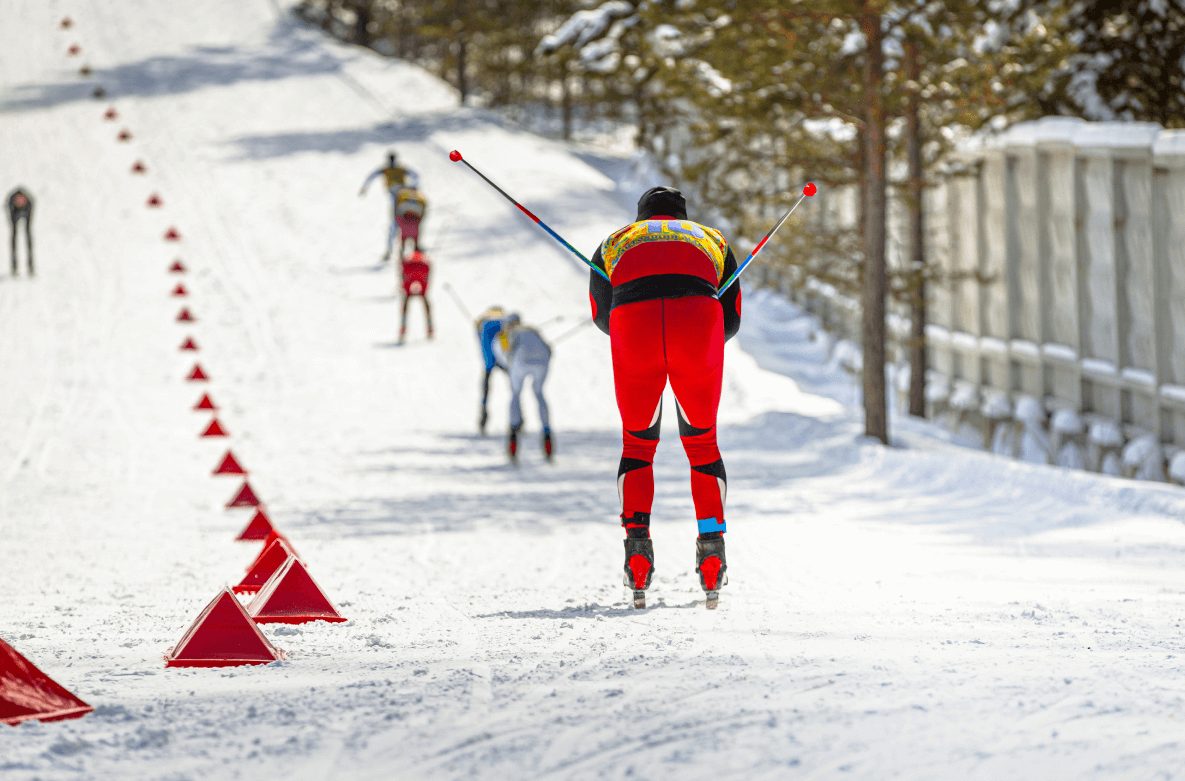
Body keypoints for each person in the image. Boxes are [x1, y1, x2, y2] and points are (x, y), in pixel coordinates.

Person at [588, 186, 742, 609]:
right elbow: (732, 318)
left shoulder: (616, 240)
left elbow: (601, 313)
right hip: (698, 320)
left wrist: (638, 338)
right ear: (682, 216)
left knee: (638, 444)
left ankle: (637, 551)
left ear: (642, 218)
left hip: (632, 322)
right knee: (702, 444)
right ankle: (711, 552)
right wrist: (699, 347)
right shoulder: (711, 238)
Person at [494, 314, 553, 462]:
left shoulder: (506, 334)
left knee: (515, 394)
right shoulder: (532, 330)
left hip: (519, 362)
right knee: (539, 393)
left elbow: (501, 355)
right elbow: (548, 349)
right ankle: (547, 436)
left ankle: (513, 437)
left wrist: (509, 366)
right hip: (542, 361)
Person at [358, 151, 418, 261]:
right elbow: (415, 176)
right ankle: (398, 249)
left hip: (401, 196)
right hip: (400, 196)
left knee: (399, 222)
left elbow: (415, 175)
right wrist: (414, 186)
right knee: (400, 221)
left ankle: (401, 249)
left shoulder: (396, 169)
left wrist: (364, 188)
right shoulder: (391, 169)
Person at [475, 306, 508, 434]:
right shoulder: (503, 323)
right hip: (504, 361)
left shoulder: (484, 325)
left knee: (486, 391)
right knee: (515, 390)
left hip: (489, 362)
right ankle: (519, 418)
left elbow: (481, 342)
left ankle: (483, 418)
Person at [399, 250, 434, 344]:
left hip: (409, 271)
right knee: (425, 302)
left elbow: (403, 273)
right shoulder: (424, 260)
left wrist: (404, 287)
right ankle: (430, 328)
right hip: (422, 272)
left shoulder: (408, 258)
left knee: (406, 303)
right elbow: (428, 275)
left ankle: (403, 328)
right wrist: (424, 289)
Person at [393, 187, 427, 263]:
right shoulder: (419, 196)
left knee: (403, 243)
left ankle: (402, 257)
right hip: (416, 216)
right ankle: (417, 257)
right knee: (416, 242)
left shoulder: (404, 222)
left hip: (406, 229)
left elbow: (397, 217)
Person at [7, 187, 33, 276]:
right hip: (14, 214)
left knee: (28, 235)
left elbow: (29, 224)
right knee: (14, 235)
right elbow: (12, 222)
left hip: (26, 212)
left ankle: (31, 266)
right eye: (18, 201)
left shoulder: (29, 203)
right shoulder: (11, 203)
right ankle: (14, 267)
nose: (19, 202)